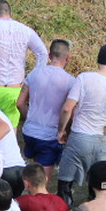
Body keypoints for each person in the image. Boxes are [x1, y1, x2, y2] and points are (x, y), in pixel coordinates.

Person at [55, 44, 106, 207]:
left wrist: (61, 131)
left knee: (65, 186)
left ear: (98, 60)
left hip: (79, 138)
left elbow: (67, 108)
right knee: (99, 191)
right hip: (103, 141)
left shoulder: (84, 78)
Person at [0, 0, 49, 127]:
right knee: (10, 131)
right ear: (11, 14)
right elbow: (43, 53)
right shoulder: (26, 30)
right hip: (15, 90)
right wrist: (32, 79)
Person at [17, 39, 76, 183]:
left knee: (33, 175)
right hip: (49, 136)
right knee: (42, 183)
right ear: (67, 58)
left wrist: (29, 118)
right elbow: (69, 111)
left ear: (49, 56)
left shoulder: (33, 74)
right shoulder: (70, 81)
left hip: (29, 132)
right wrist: (65, 131)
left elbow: (20, 103)